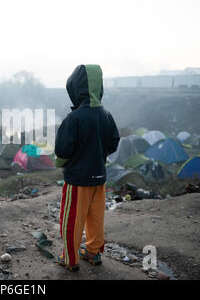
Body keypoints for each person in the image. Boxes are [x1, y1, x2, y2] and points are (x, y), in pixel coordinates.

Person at [54, 64, 119, 271]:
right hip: (99, 178)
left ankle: (70, 259)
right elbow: (113, 143)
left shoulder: (74, 118)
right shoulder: (106, 115)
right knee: (95, 218)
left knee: (72, 219)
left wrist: (69, 161)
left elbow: (62, 150)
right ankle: (93, 253)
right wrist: (99, 155)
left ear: (75, 88)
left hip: (78, 180)